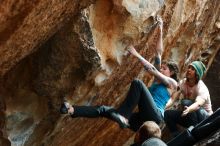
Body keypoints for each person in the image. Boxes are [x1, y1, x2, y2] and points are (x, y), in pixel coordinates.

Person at [60, 17, 179, 131]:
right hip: (142, 120)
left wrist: (136, 54)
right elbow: (158, 53)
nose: (161, 69)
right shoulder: (157, 81)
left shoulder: (172, 84)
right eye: (161, 68)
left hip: (155, 117)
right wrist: (161, 28)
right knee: (104, 110)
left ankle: (123, 116)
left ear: (172, 73)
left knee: (137, 83)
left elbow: (152, 69)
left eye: (164, 68)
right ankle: (71, 110)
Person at [164, 60, 213, 138]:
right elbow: (173, 99)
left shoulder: (202, 87)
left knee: (186, 102)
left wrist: (189, 109)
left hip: (205, 119)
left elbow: (198, 103)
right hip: (189, 115)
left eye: (193, 69)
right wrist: (163, 107)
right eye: (189, 67)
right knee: (167, 114)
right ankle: (176, 137)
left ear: (197, 74)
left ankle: (196, 132)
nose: (189, 70)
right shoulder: (182, 83)